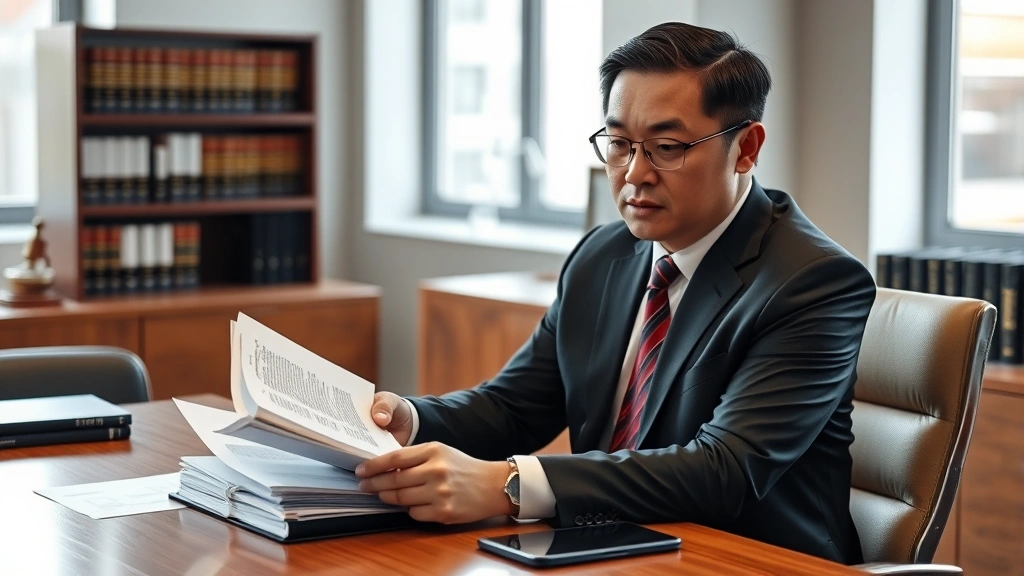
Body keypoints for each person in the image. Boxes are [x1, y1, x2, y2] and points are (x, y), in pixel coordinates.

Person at [355, 22, 875, 565]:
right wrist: (407, 420)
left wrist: (508, 484)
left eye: (667, 147)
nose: (635, 174)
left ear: (746, 147)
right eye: (620, 144)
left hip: (750, 559)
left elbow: (727, 468)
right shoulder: (602, 257)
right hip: (611, 547)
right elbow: (515, 407)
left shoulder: (814, 281)